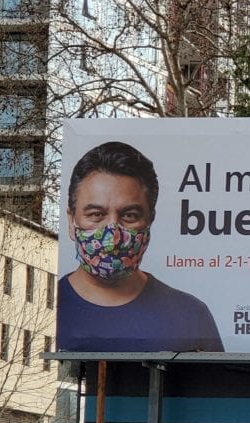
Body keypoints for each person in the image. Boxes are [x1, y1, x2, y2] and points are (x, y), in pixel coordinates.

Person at [57, 141, 223, 353]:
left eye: (129, 215)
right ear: (72, 221)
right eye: (96, 214)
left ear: (150, 219)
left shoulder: (190, 316)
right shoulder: (49, 309)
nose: (112, 235)